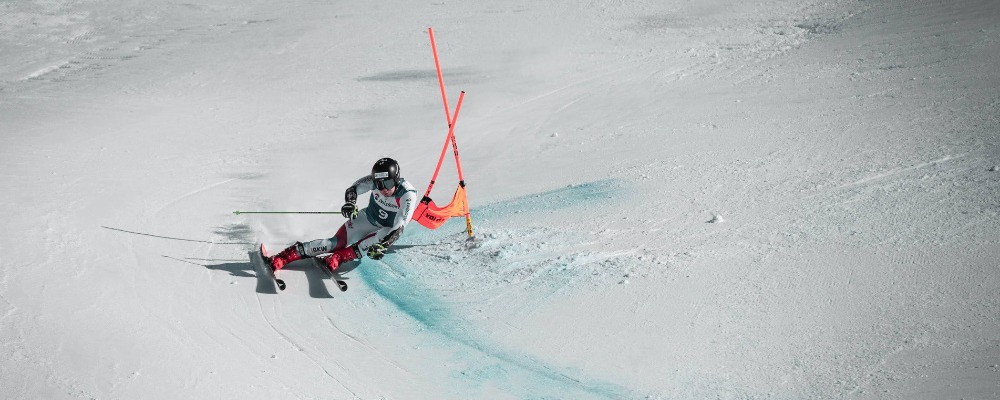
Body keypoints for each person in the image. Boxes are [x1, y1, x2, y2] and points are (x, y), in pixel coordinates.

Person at [264, 157, 417, 272]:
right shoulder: (374, 180)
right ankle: (283, 257)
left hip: (386, 229)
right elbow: (353, 189)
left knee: (379, 238)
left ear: (396, 179)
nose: (383, 189)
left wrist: (384, 245)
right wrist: (350, 203)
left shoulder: (407, 194)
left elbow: (399, 226)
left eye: (388, 184)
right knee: (334, 243)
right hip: (367, 219)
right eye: (379, 185)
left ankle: (339, 257)